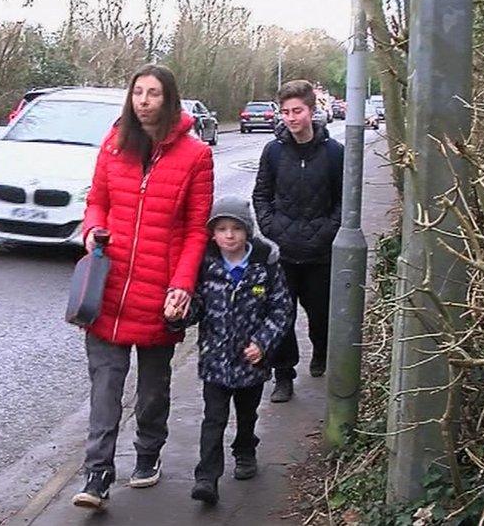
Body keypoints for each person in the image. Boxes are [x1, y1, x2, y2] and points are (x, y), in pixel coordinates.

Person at [71, 64, 214, 509]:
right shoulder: (114, 146)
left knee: (153, 389)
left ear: (168, 99)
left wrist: (183, 285)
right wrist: (92, 230)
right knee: (106, 387)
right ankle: (97, 475)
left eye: (153, 93)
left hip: (160, 293)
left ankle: (148, 453)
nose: (144, 101)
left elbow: (196, 231)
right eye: (138, 93)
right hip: (108, 289)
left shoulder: (196, 156)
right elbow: (96, 201)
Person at [166, 195, 293, 505]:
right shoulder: (206, 266)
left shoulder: (265, 264)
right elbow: (195, 308)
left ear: (247, 230)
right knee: (214, 418)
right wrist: (176, 315)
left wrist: (262, 343)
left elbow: (281, 309)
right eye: (221, 229)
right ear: (212, 233)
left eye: (236, 228)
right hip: (216, 361)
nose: (229, 235)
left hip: (251, 360)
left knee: (247, 413)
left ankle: (245, 450)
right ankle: (207, 477)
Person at [252, 79, 344, 403]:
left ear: (311, 111)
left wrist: (327, 232)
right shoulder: (273, 152)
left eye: (298, 111)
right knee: (281, 316)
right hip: (284, 253)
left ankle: (321, 352)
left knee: (320, 315)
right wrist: (272, 228)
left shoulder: (334, 153)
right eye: (286, 112)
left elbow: (343, 201)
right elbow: (261, 195)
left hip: (320, 255)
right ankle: (283, 376)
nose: (291, 118)